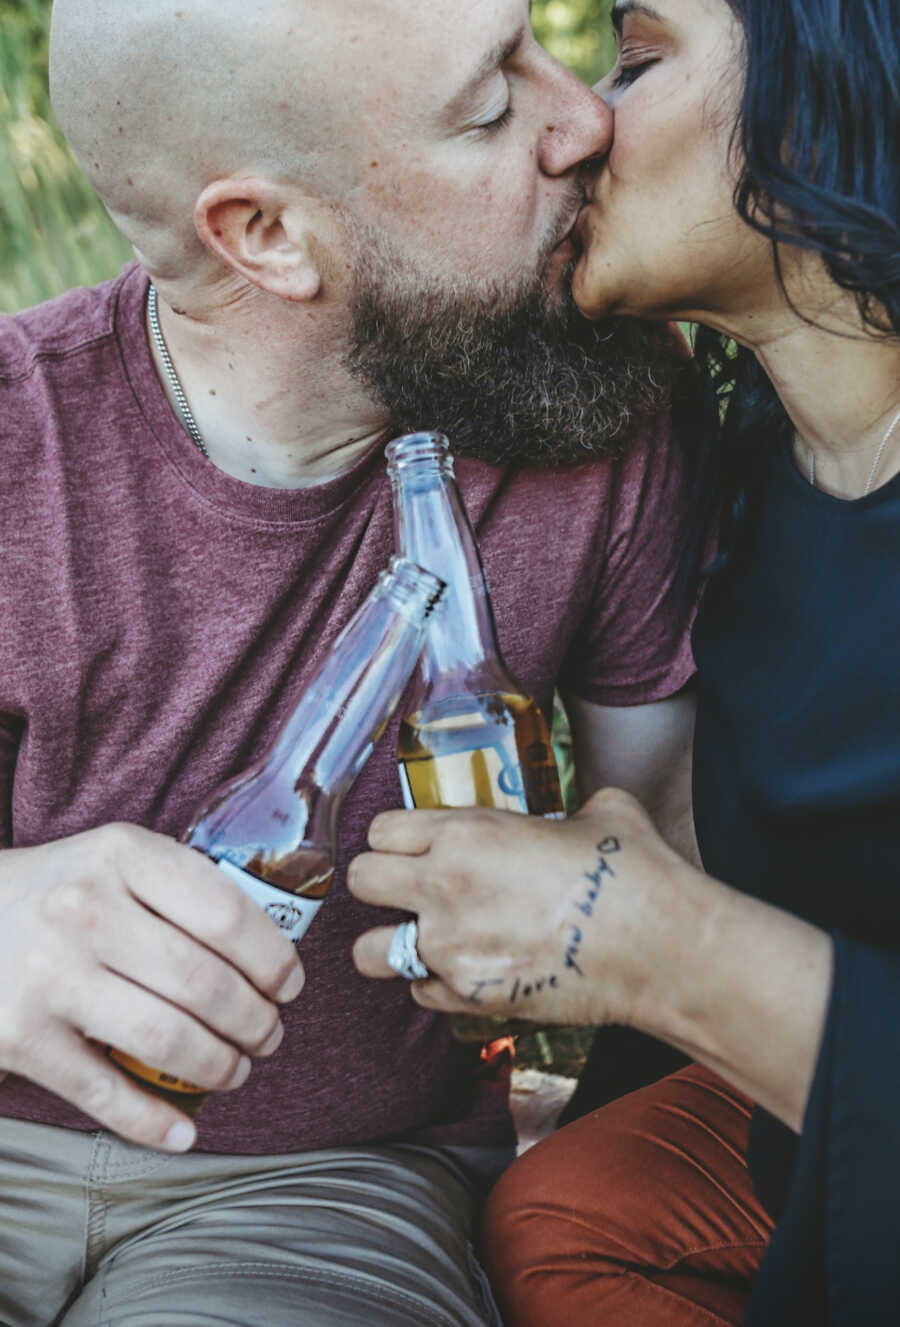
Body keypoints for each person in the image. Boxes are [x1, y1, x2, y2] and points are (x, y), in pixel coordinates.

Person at [0, 2, 701, 1323]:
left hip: (323, 1186)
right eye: (491, 107)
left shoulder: (594, 408)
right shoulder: (18, 435)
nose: (584, 118)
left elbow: (670, 840)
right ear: (265, 235)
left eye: (541, 50)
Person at [349, 0, 900, 1322]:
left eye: (639, 58)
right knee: (557, 1222)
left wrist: (652, 940)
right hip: (806, 1125)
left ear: (846, 86)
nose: (582, 119)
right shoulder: (746, 470)